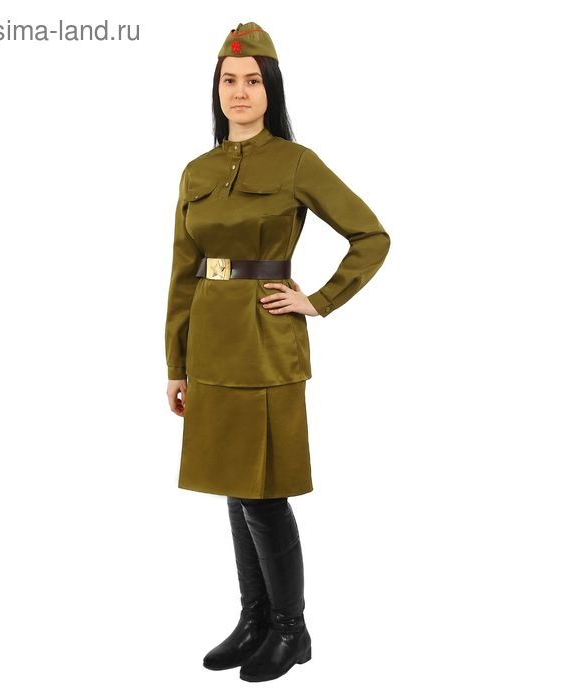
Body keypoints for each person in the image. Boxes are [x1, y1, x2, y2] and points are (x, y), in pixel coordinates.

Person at [164, 22, 390, 683]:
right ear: (216, 89)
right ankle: (254, 620)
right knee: (234, 490)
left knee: (262, 494)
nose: (239, 92)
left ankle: (292, 631)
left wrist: (318, 300)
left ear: (271, 90)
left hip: (266, 347)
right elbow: (182, 272)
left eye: (252, 81)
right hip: (211, 349)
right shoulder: (197, 172)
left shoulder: (294, 162)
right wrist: (175, 363)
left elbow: (371, 236)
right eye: (229, 81)